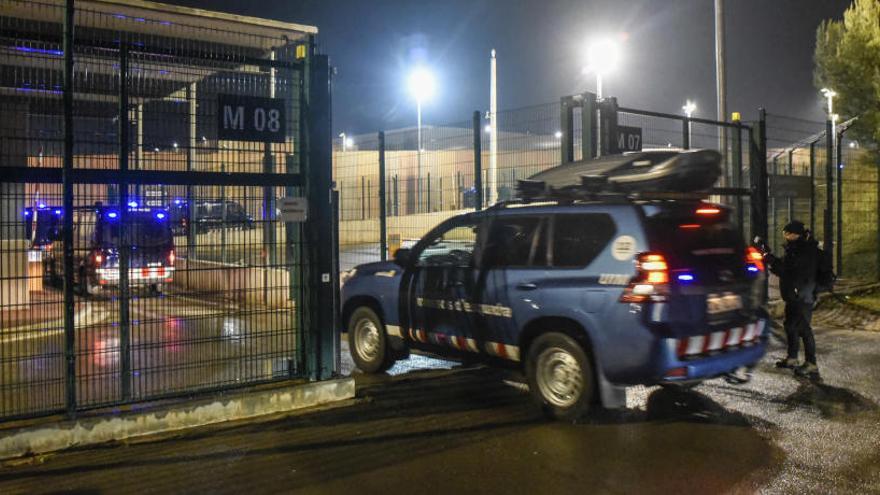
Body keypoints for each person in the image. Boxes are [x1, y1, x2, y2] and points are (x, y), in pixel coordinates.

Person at [764, 220, 820, 379]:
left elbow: (788, 271)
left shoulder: (804, 251)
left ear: (796, 234)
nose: (785, 236)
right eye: (784, 233)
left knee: (804, 329)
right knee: (790, 326)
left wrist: (769, 259)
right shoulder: (794, 249)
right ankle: (792, 358)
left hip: (802, 296)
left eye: (787, 233)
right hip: (793, 296)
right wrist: (771, 257)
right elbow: (785, 267)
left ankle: (811, 364)